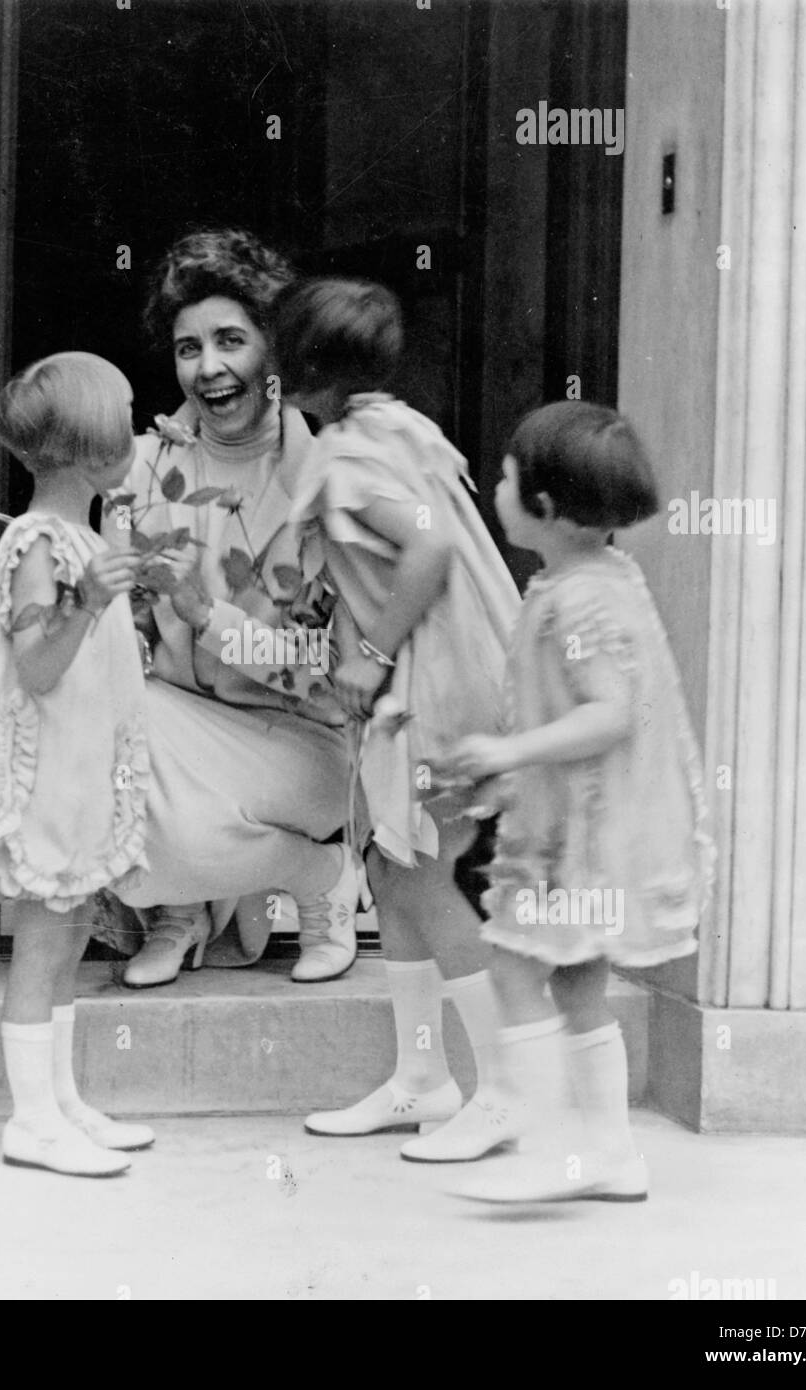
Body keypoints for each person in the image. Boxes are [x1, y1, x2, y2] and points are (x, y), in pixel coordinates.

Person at [0, 351, 359, 1177]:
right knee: (41, 948)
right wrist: (90, 600)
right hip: (46, 788)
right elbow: (34, 664)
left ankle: (61, 1102)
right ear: (90, 445)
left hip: (80, 781)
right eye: (127, 414)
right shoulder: (38, 543)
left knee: (65, 939)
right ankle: (30, 1120)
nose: (148, 424)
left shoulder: (83, 534)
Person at [433, 401, 715, 1202]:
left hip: (578, 846)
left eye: (508, 477)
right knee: (576, 982)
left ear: (545, 507)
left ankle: (553, 1149)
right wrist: (509, 774)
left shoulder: (581, 600)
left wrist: (511, 752)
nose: (496, 486)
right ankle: (611, 1153)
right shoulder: (585, 581)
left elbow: (610, 714)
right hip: (571, 832)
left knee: (516, 972)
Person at [272, 278, 526, 1163]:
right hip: (449, 677)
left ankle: (505, 1094)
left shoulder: (343, 456)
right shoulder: (397, 427)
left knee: (423, 880)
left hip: (436, 689)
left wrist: (370, 654)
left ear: (299, 369)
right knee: (396, 868)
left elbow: (430, 544)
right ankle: (423, 1082)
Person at [106, 229, 358, 987]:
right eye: (189, 348)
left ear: (274, 351)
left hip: (301, 745)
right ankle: (177, 910)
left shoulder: (324, 483)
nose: (208, 367)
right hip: (180, 729)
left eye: (230, 340)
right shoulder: (146, 470)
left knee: (148, 762)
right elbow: (120, 639)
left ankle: (321, 877)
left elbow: (323, 675)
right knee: (96, 733)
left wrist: (204, 611)